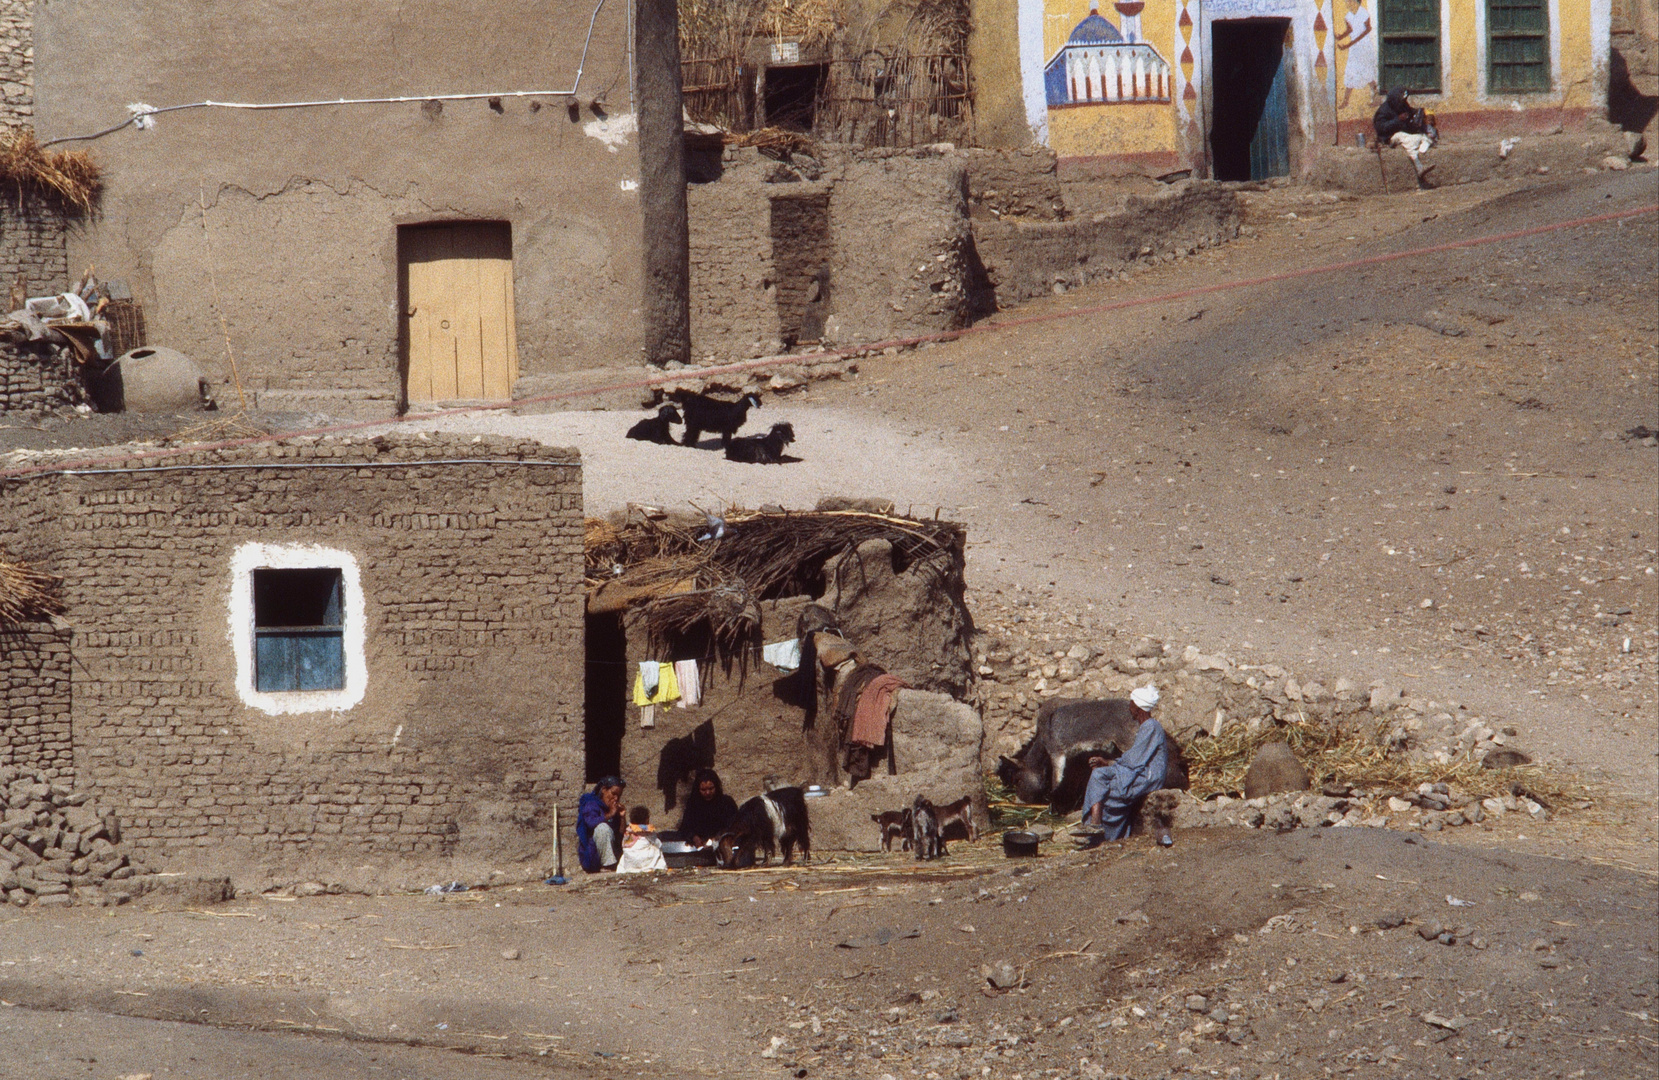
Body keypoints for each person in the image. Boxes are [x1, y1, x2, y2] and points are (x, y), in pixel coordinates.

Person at [1072, 685, 1169, 842]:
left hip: (1148, 775)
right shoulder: (1146, 727)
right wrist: (1109, 763)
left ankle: (1105, 835)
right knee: (1098, 774)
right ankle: (1095, 824)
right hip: (1138, 770)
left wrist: (1110, 763)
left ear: (1138, 708)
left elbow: (1134, 760)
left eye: (1131, 704)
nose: (1129, 708)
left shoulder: (1151, 727)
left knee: (1110, 791)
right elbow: (1134, 759)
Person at [1373, 86, 1435, 181]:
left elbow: (1410, 111)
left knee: (1424, 137)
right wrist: (1398, 119)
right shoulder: (1383, 110)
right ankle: (1419, 167)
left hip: (1403, 132)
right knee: (1403, 137)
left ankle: (1422, 155)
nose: (1403, 102)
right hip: (1389, 137)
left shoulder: (1402, 105)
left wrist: (1422, 112)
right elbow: (1381, 128)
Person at [676, 768, 739, 847]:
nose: (707, 793)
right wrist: (694, 837)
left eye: (711, 788)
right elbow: (685, 827)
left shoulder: (727, 803)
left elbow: (735, 826)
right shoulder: (694, 805)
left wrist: (720, 837)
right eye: (703, 790)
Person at [577, 775, 627, 873]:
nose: (616, 798)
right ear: (604, 790)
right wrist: (610, 815)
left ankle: (614, 863)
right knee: (602, 828)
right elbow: (591, 823)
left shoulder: (613, 809)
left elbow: (621, 835)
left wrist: (622, 817)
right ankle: (608, 865)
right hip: (593, 855)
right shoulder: (591, 804)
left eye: (619, 795)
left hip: (613, 853)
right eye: (613, 794)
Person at [1334, 0, 1377, 109]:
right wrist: (1340, 36)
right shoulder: (1348, 16)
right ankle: (1346, 101)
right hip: (1354, 49)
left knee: (1367, 72)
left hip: (1364, 47)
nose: (1346, 3)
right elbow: (1350, 29)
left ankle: (1375, 98)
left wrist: (1349, 44)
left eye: (1348, 1)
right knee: (1350, 72)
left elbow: (1368, 29)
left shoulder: (1364, 13)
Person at [617, 806, 668, 873]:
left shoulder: (628, 830)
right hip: (644, 858)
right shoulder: (648, 831)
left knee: (623, 856)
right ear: (646, 819)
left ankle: (629, 869)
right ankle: (658, 867)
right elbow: (657, 843)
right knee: (657, 850)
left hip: (631, 859)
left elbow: (622, 834)